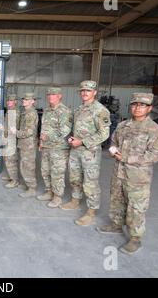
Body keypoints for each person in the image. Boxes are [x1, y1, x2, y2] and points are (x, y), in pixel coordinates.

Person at [97, 93, 158, 254]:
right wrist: (113, 151)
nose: (137, 108)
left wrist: (127, 157)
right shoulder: (123, 125)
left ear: (149, 108)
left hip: (138, 177)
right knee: (116, 199)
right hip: (119, 172)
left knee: (136, 207)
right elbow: (113, 141)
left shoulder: (155, 130)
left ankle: (135, 239)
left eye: (141, 105)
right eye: (134, 105)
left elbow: (155, 154)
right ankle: (116, 225)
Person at [62, 80, 111, 227]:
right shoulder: (79, 109)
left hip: (90, 152)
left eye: (88, 91)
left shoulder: (100, 110)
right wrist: (71, 138)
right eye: (82, 90)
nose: (84, 93)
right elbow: (75, 129)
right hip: (75, 150)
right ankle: (75, 201)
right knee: (74, 177)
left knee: (90, 183)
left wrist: (82, 142)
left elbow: (104, 134)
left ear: (94, 92)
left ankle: (91, 212)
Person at [37, 87, 72, 208]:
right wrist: (41, 141)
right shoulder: (47, 110)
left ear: (60, 96)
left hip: (59, 148)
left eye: (53, 94)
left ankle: (57, 197)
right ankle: (49, 192)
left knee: (57, 173)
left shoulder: (64, 111)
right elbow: (44, 128)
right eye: (49, 95)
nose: (50, 97)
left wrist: (49, 136)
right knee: (45, 171)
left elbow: (65, 130)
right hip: (47, 146)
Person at [11, 93, 38, 198]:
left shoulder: (31, 113)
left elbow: (29, 131)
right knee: (24, 166)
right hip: (24, 144)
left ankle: (32, 189)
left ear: (32, 101)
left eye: (27, 99)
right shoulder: (25, 112)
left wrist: (16, 132)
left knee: (28, 167)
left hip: (28, 145)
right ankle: (28, 185)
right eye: (24, 99)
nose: (24, 101)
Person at [2, 94, 20, 189]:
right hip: (7, 139)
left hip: (11, 140)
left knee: (11, 160)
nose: (9, 102)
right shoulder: (9, 111)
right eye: (8, 101)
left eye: (11, 101)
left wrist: (4, 130)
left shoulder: (15, 112)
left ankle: (15, 181)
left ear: (15, 102)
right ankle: (11, 176)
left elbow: (13, 129)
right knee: (7, 159)